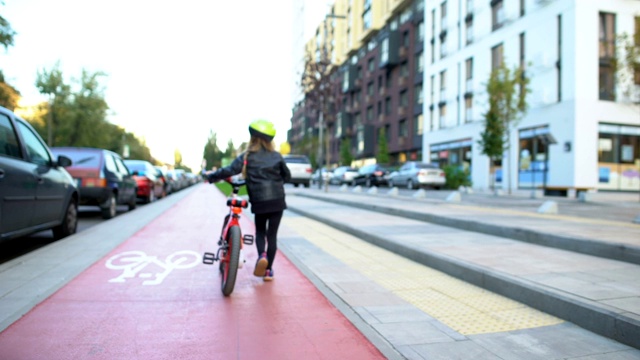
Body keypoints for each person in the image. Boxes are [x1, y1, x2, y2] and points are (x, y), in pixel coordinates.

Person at [205, 119, 291, 281]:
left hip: (259, 201)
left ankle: (262, 255)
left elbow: (230, 170)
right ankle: (268, 271)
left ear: (253, 138)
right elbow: (287, 176)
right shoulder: (277, 156)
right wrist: (277, 182)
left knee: (260, 232)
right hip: (277, 200)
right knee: (272, 236)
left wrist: (212, 177)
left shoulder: (247, 156)